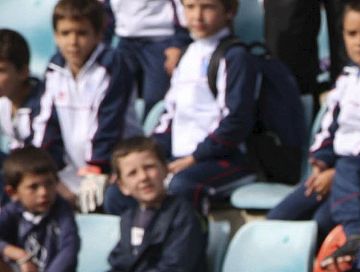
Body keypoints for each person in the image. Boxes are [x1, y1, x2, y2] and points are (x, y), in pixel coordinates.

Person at [267, 0, 360, 239]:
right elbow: (328, 127)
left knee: (321, 224)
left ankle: (354, 253)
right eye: (352, 34)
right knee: (278, 218)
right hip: (334, 170)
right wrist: (321, 161)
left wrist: (337, 172)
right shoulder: (346, 77)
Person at [51, 136, 206, 272]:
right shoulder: (129, 218)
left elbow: (175, 269)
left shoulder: (183, 213)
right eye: (132, 173)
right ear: (122, 185)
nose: (143, 177)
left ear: (165, 170)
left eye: (149, 167)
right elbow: (119, 263)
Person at [153, 0, 263, 210]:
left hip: (224, 159)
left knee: (182, 185)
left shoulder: (235, 56)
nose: (197, 16)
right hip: (182, 158)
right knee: (122, 190)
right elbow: (169, 115)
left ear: (229, 11)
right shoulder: (186, 55)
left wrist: (194, 158)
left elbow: (236, 121)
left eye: (208, 7)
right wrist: (150, 155)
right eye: (190, 7)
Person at [37, 0, 141, 214]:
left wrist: (98, 167)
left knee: (109, 201)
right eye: (65, 33)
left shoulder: (113, 65)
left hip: (112, 166)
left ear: (98, 34)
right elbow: (48, 124)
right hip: (73, 169)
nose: (73, 42)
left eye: (81, 33)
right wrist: (46, 170)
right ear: (55, 36)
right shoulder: (54, 69)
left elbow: (109, 122)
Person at [0, 146, 79, 272]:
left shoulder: (62, 212)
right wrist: (20, 256)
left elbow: (69, 250)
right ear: (13, 192)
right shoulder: (12, 212)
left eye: (49, 184)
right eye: (33, 187)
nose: (43, 193)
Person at [108, 0, 190, 110]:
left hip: (160, 40)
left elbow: (181, 7)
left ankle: (155, 127)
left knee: (155, 100)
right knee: (115, 96)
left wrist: (178, 43)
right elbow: (103, 11)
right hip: (123, 40)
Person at [0, 30, 44, 161]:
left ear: (24, 72)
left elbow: (41, 162)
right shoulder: (4, 100)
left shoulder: (45, 105)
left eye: (1, 71)